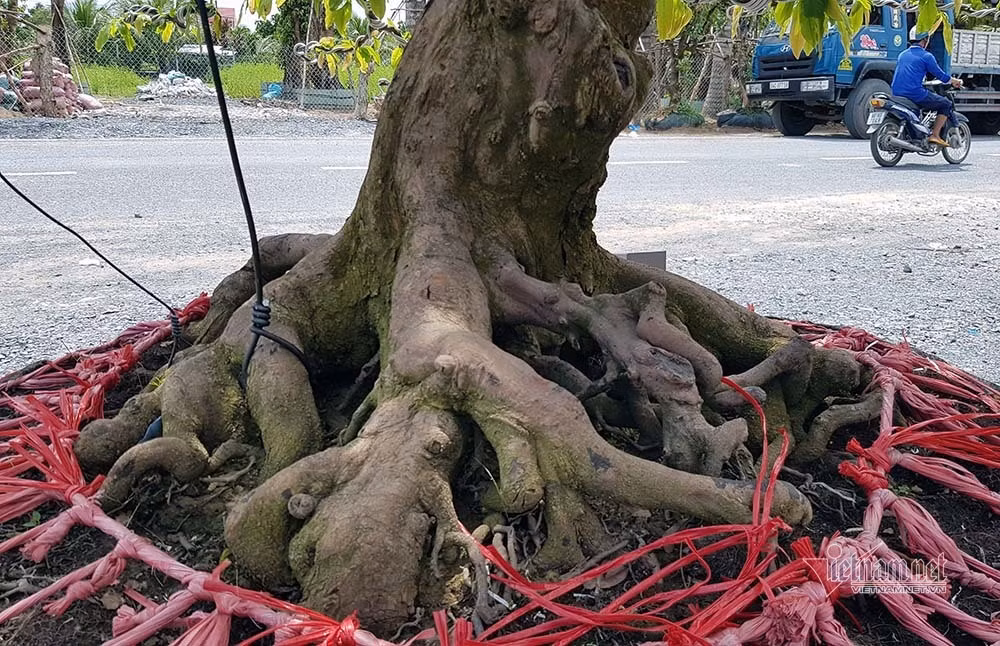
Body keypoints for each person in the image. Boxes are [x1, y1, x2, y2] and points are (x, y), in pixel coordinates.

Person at [890, 27, 963, 146]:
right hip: (914, 93)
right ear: (925, 40)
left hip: (896, 92)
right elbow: (940, 75)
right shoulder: (926, 56)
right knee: (946, 104)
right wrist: (954, 81)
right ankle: (935, 135)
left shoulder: (902, 55)